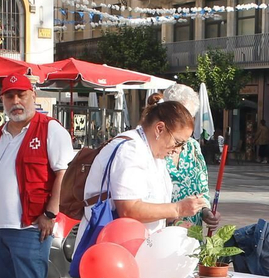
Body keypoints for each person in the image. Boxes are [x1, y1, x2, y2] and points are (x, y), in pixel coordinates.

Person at [0, 73, 71, 278]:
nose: (16, 101)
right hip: (0, 227)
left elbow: (63, 174)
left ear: (33, 95)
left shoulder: (50, 129)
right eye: (9, 96)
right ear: (3, 100)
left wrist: (50, 214)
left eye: (21, 94)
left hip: (30, 227)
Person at [83, 99, 205, 234]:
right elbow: (128, 209)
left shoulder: (152, 152)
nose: (178, 150)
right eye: (177, 142)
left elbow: (153, 203)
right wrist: (178, 209)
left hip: (132, 244)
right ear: (159, 129)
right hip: (112, 244)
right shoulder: (131, 150)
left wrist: (174, 222)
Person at [161, 83, 212, 226]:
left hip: (191, 231)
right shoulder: (155, 147)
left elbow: (202, 189)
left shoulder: (193, 146)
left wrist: (206, 211)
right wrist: (174, 220)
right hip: (162, 231)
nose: (186, 122)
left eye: (189, 117)